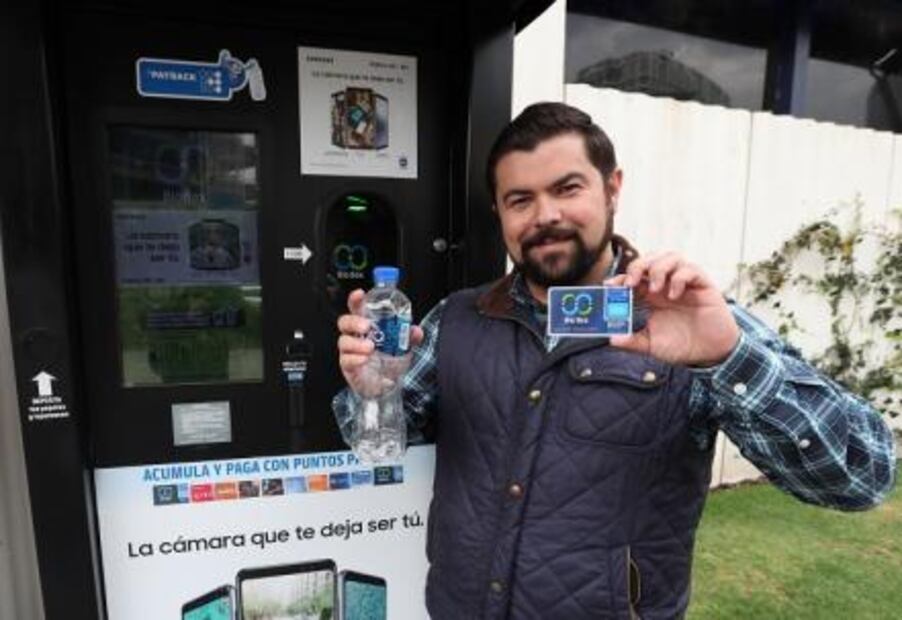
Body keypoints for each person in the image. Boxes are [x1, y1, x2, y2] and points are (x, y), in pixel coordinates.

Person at [333, 102, 897, 619]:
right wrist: (372, 391)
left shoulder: (689, 320)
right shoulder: (455, 319)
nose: (545, 215)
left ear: (612, 189)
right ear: (500, 213)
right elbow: (371, 441)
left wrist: (730, 358)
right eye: (520, 199)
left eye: (567, 187)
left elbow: (861, 477)